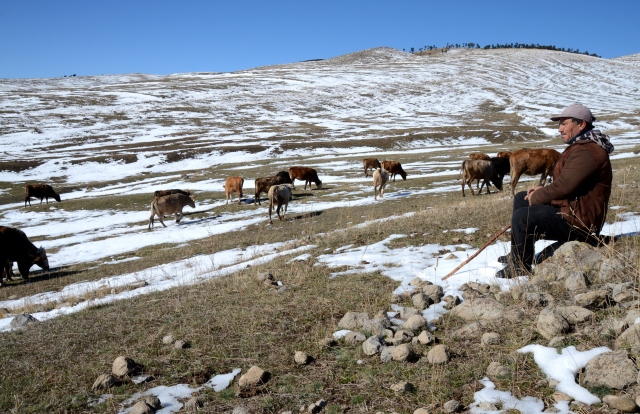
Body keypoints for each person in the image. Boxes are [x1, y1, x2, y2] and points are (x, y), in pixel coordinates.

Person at [496, 103, 614, 278]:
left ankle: (520, 266)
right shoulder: (582, 146)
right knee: (521, 198)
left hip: (580, 220)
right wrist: (542, 189)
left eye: (564, 123)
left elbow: (564, 186)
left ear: (581, 124)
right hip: (571, 209)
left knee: (522, 217)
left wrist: (537, 196)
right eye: (560, 124)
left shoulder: (587, 152)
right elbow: (567, 181)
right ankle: (519, 252)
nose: (560, 129)